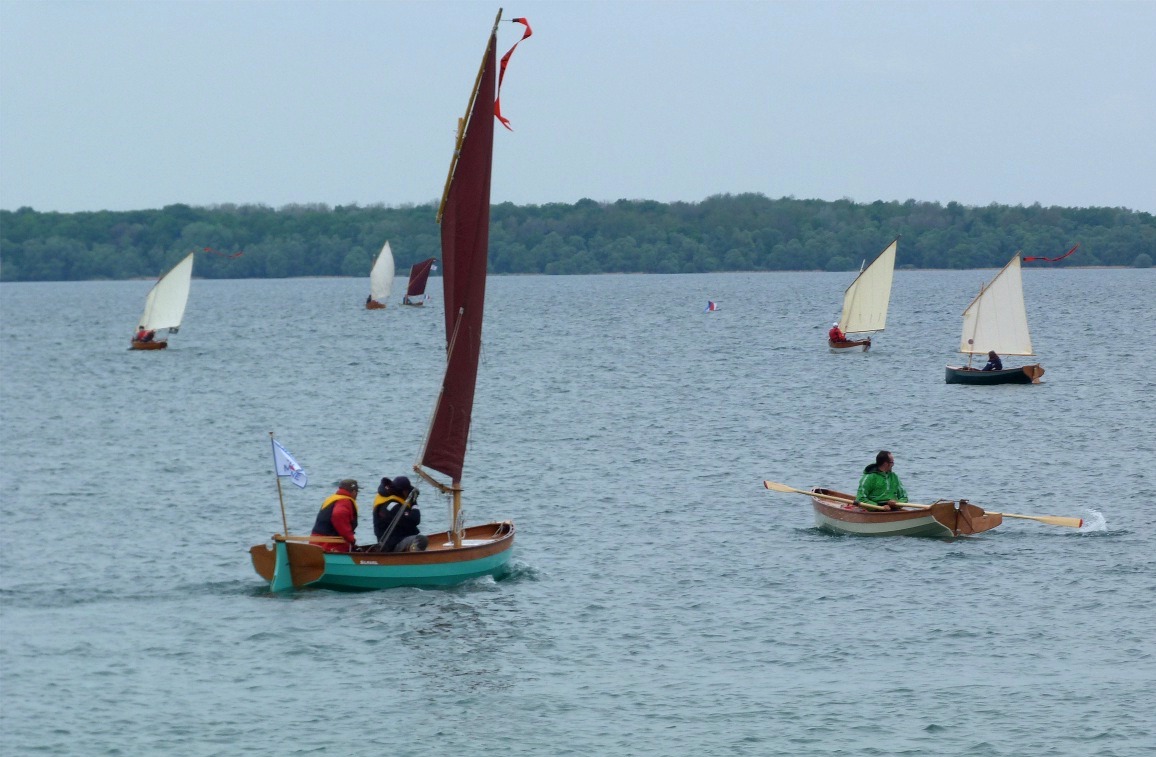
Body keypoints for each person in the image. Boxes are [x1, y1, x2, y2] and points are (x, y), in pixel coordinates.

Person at [371, 475, 427, 552]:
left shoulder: (388, 497)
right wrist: (414, 503)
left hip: (398, 538)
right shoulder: (391, 506)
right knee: (421, 540)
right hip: (391, 544)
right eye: (407, 491)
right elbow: (415, 520)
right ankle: (414, 558)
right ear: (403, 491)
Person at [310, 479, 360, 552]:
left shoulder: (332, 498)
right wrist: (351, 539)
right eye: (357, 492)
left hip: (315, 543)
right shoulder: (345, 501)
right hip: (328, 546)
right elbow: (338, 515)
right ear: (354, 492)